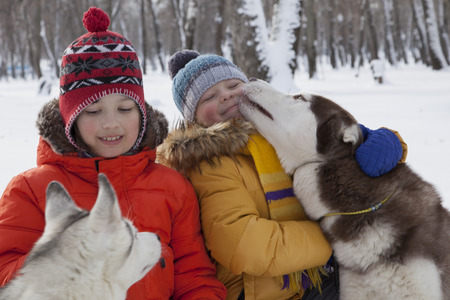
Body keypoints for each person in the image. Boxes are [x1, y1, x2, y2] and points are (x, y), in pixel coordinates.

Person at [0, 9, 226, 300]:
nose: (111, 123)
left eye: (124, 108)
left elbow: (195, 280)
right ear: (71, 119)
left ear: (142, 113)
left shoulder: (173, 188)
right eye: (92, 111)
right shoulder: (30, 191)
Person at [157, 50, 408, 300]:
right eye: (209, 96)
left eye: (233, 84)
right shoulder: (209, 164)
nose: (226, 95)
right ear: (193, 119)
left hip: (320, 277)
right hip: (266, 292)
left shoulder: (278, 130)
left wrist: (382, 141)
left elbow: (337, 147)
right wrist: (331, 237)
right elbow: (244, 245)